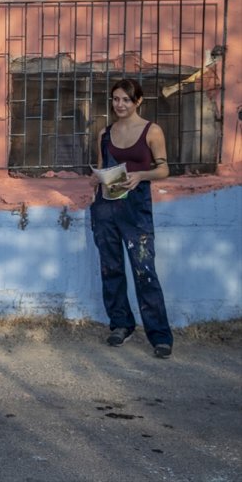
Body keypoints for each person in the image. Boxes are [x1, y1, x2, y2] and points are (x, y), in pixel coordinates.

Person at [90, 79, 173, 358]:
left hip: (136, 209)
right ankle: (120, 324)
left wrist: (141, 175)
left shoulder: (152, 131)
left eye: (126, 99)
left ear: (138, 101)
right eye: (115, 99)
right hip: (105, 208)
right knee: (110, 268)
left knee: (144, 271)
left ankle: (160, 336)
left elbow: (163, 170)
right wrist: (96, 179)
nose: (120, 104)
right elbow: (101, 169)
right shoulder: (104, 133)